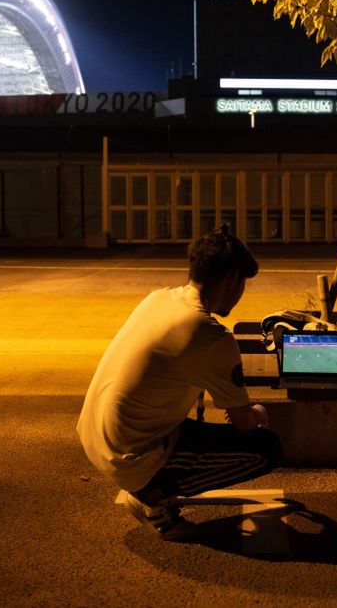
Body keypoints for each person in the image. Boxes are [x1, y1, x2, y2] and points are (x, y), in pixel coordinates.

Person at [77, 224, 281, 541]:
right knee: (265, 449)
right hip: (130, 454)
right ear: (232, 281)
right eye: (242, 284)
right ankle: (153, 497)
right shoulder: (210, 335)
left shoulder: (158, 298)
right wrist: (256, 410)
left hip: (96, 434)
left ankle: (150, 485)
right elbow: (243, 423)